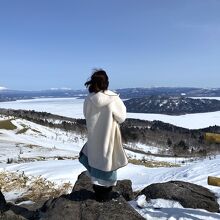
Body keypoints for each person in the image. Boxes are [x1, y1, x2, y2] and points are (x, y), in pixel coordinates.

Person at [79, 69, 128, 202]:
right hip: (109, 136)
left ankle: (98, 192)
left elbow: (86, 115)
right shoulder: (113, 98)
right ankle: (105, 196)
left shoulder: (89, 99)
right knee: (108, 161)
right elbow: (122, 117)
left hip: (94, 137)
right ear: (106, 82)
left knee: (95, 160)